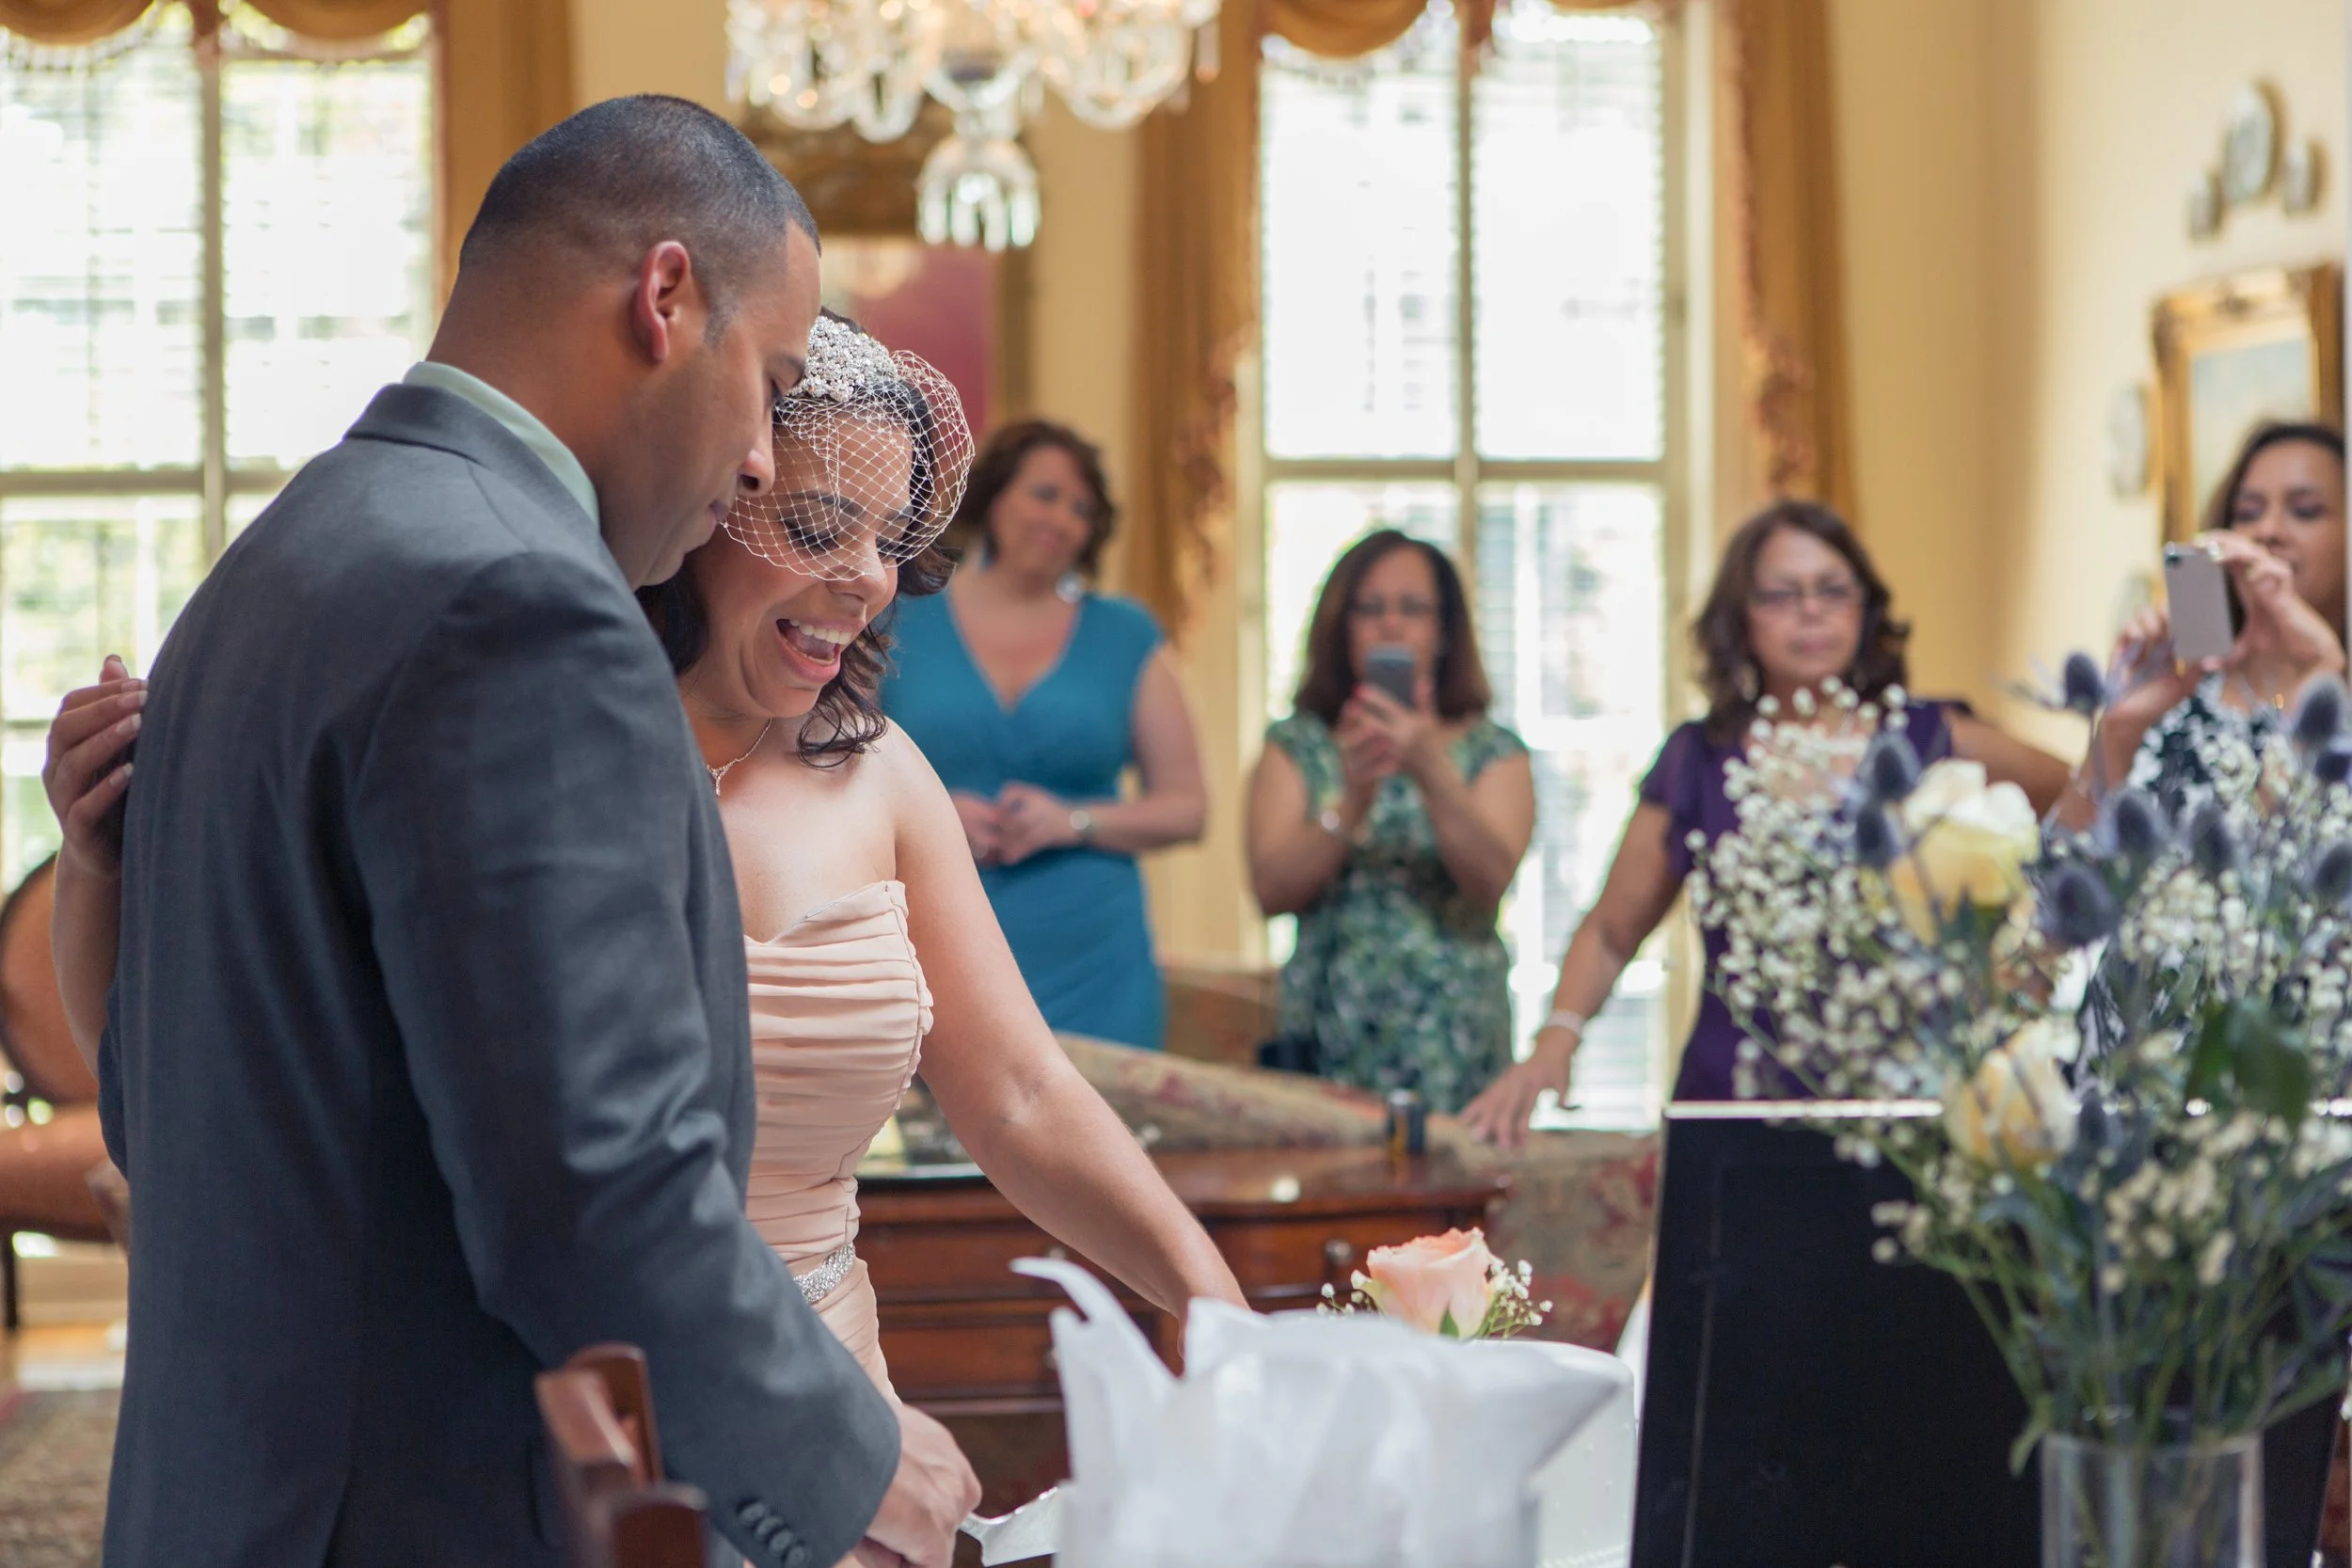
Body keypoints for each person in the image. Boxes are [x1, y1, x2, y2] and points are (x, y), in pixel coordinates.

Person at [40, 99, 974, 1568]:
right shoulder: (521, 604)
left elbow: (173, 1103)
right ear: (665, 299)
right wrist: (844, 1454)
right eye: (769, 380)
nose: (752, 459)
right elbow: (589, 1191)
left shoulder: (274, 562)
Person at [636, 315, 1244, 1383]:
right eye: (822, 529)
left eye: (885, 541)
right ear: (706, 505)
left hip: (836, 1378)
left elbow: (1017, 1093)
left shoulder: (881, 771)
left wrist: (1210, 1291)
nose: (866, 580)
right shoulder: (565, 756)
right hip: (612, 1400)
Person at [1459, 499, 2071, 1148]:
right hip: (1735, 1100)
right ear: (1740, 619)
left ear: (1864, 610)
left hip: (1912, 1102)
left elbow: (2084, 807)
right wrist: (1556, 1041)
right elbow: (1612, 931)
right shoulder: (1698, 757)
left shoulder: (1934, 738)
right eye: (1781, 594)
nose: (1810, 610)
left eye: (1832, 590)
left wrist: (2027, 966)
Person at [881, 420, 1204, 1051]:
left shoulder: (1125, 636)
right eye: (1045, 494)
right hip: (938, 949)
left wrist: (1074, 820)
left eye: (1081, 508)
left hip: (1097, 966)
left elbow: (1188, 808)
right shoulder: (899, 620)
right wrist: (936, 824)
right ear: (995, 497)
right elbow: (835, 776)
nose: (1061, 518)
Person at [1244, 530, 1536, 1115]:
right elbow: (1272, 889)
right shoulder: (1298, 745)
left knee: (1460, 1205)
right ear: (1341, 626)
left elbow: (1490, 881)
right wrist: (1353, 800)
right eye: (1370, 609)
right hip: (1330, 1037)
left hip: (1454, 1041)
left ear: (1445, 630)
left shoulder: (1493, 751)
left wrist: (1429, 764)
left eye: (1414, 609)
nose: (1391, 627)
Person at [2064, 420, 2347, 824]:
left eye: (2304, 511)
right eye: (2249, 513)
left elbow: (2269, 868)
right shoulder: (2182, 698)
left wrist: (2322, 671)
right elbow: (2054, 869)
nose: (2267, 530)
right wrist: (2118, 732)